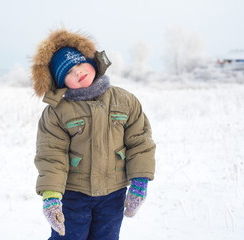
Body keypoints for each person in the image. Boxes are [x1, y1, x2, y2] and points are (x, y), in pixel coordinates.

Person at [31, 29, 156, 240]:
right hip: (73, 195)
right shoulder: (56, 112)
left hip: (113, 194)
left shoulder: (124, 101)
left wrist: (140, 182)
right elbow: (51, 156)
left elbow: (140, 143)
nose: (77, 72)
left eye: (80, 64)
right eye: (68, 72)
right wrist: (51, 197)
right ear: (60, 82)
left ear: (92, 61)